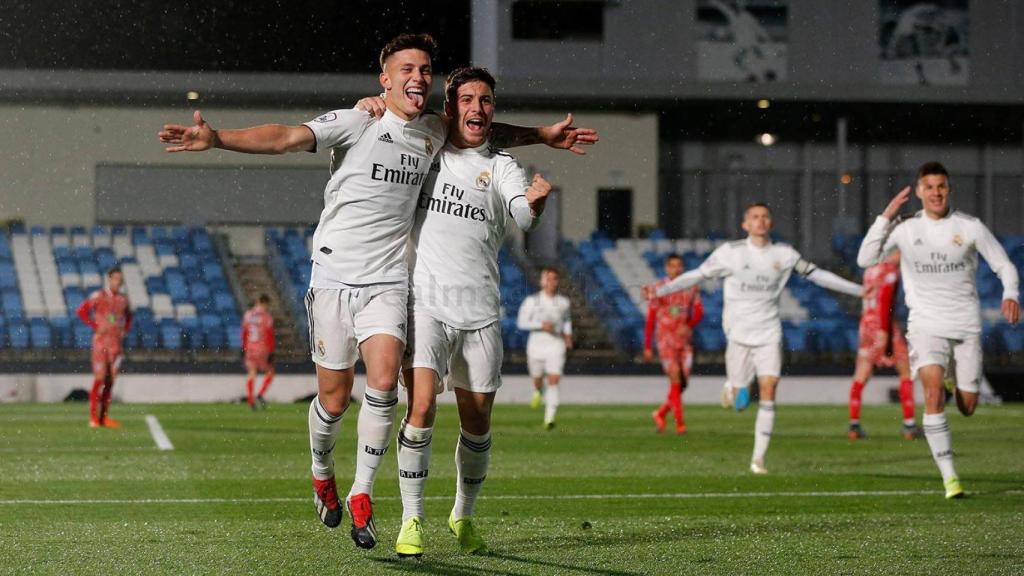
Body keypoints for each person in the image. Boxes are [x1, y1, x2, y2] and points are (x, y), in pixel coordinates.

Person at [158, 33, 596, 549]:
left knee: (385, 384)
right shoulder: (357, 120)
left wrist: (542, 135)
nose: (418, 77)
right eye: (406, 69)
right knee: (334, 398)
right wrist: (218, 138)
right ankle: (322, 469)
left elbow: (477, 128)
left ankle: (362, 492)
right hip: (333, 275)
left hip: (389, 279)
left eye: (425, 69)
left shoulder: (433, 129)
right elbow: (286, 137)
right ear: (384, 79)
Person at [356, 66, 563, 558]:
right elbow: (393, 123)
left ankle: (463, 515)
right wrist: (370, 105)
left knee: (477, 423)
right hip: (425, 303)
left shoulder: (504, 166)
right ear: (450, 108)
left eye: (485, 100)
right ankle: (411, 519)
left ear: (493, 109)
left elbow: (521, 214)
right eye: (467, 99)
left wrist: (535, 205)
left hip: (481, 311)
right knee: (421, 407)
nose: (477, 108)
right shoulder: (427, 150)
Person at [643, 203, 862, 474]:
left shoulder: (784, 254)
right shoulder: (730, 253)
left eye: (765, 217)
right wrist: (661, 291)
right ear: (745, 225)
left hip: (769, 331)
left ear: (771, 223)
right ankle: (733, 385)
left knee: (769, 388)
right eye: (755, 217)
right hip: (738, 333)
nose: (760, 221)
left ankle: (758, 460)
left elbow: (817, 275)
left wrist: (859, 290)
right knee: (740, 400)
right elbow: (697, 275)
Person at [857, 161, 1019, 499]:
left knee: (968, 406)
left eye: (941, 186)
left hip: (965, 325)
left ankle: (952, 379)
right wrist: (885, 217)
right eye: (929, 187)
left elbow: (1003, 264)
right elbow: (865, 259)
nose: (936, 192)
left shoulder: (969, 227)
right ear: (919, 191)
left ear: (949, 189)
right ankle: (950, 479)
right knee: (931, 395)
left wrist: (1011, 293)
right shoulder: (905, 228)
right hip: (925, 324)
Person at [847, 251, 921, 441]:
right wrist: (884, 331)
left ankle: (854, 425)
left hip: (866, 325)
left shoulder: (869, 270)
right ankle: (909, 425)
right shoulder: (890, 271)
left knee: (861, 374)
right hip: (883, 325)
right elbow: (886, 300)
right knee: (906, 371)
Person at [643, 254, 703, 435]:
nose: (676, 269)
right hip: (665, 339)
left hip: (684, 341)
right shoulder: (658, 289)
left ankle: (660, 414)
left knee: (682, 383)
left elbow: (699, 311)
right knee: (675, 378)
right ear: (666, 268)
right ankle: (680, 424)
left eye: (679, 265)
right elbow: (651, 318)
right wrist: (647, 345)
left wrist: (689, 325)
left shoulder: (691, 287)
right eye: (673, 266)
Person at [517, 267, 573, 430]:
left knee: (554, 380)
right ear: (542, 281)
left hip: (556, 344)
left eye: (555, 278)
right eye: (548, 278)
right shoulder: (532, 301)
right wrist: (541, 325)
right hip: (536, 345)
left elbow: (567, 321)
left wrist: (568, 337)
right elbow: (521, 323)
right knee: (537, 378)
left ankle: (549, 418)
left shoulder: (564, 302)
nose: (551, 282)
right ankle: (538, 391)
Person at [76, 266, 132, 429]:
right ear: (109, 279)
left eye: (120, 279)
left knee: (110, 381)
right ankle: (93, 418)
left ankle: (104, 418)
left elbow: (129, 316)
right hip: (101, 343)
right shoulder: (99, 295)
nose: (118, 282)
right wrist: (94, 325)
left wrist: (125, 329)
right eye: (115, 278)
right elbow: (81, 311)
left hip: (116, 345)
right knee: (99, 378)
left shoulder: (123, 299)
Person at [241, 294, 276, 410]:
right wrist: (271, 351)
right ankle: (260, 395)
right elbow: (269, 335)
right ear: (265, 303)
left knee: (251, 373)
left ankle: (250, 399)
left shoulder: (248, 315)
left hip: (250, 348)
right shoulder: (266, 317)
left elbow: (244, 332)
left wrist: (243, 347)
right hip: (262, 348)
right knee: (270, 372)